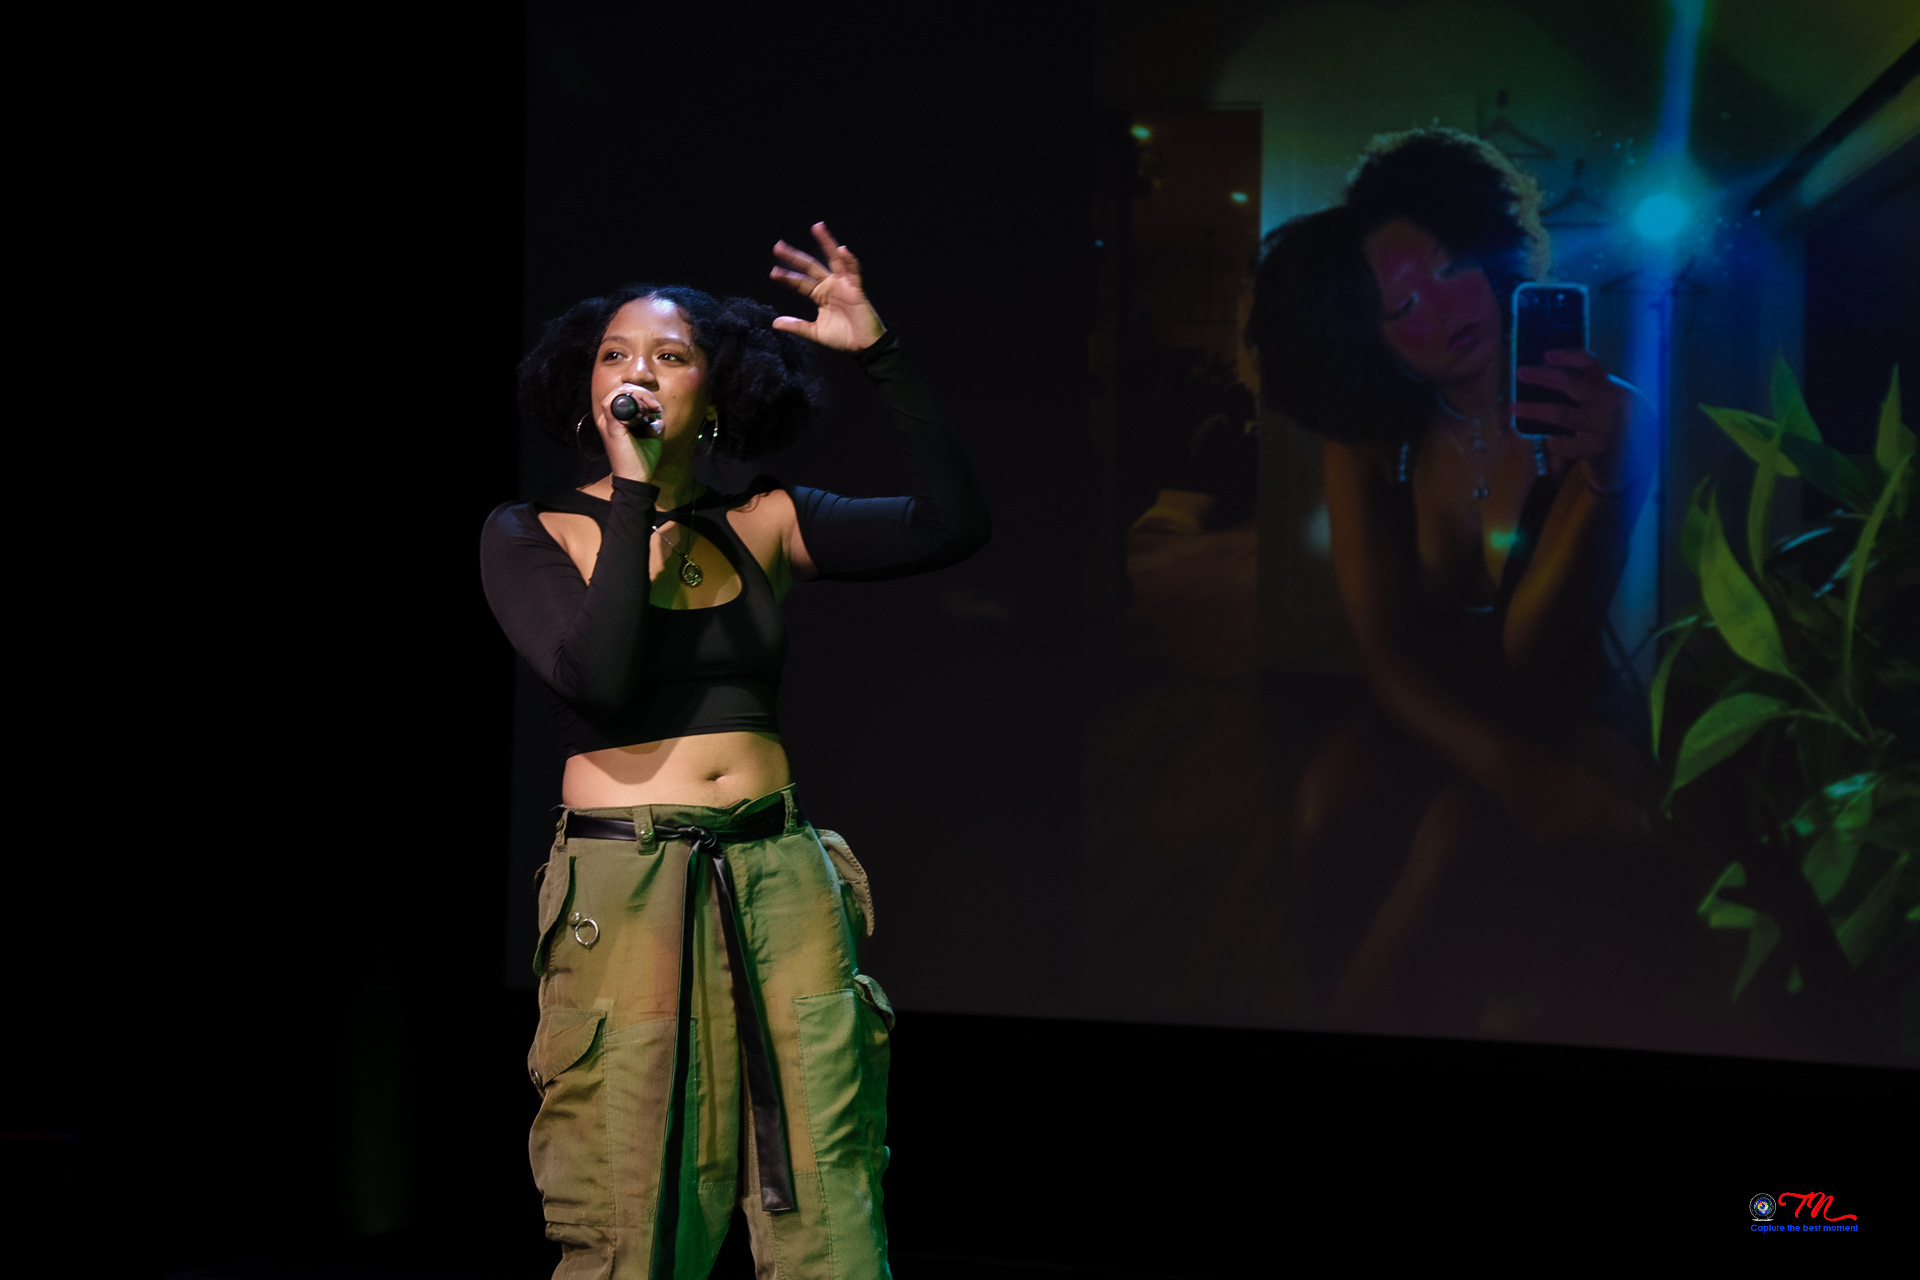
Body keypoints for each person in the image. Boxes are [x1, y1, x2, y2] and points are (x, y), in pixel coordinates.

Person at [480, 224, 988, 1278]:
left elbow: (953, 523)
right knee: (633, 1195)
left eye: (669, 355)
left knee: (828, 1178)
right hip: (628, 875)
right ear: (587, 392)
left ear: (714, 393)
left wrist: (881, 351)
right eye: (616, 354)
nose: (638, 371)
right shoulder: (532, 531)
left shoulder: (763, 520)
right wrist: (634, 492)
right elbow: (600, 679)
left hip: (778, 866)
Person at [1245, 130, 1654, 1032]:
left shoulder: (1602, 421)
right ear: (1371, 339)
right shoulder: (1368, 442)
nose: (1444, 310)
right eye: (1400, 305)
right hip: (1423, 693)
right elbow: (1386, 650)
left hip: (1565, 692)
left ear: (1491, 247)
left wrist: (1605, 482)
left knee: (1456, 834)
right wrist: (1512, 771)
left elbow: (1537, 648)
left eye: (1451, 265)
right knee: (1322, 813)